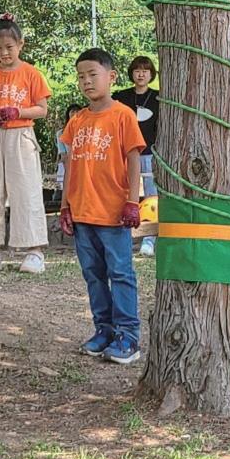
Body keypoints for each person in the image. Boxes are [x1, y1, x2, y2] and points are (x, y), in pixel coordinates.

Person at [57, 48, 145, 365]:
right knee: (93, 275)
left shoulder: (123, 115)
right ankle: (104, 330)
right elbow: (69, 165)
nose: (87, 81)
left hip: (113, 214)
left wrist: (133, 201)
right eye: (81, 76)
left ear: (111, 76)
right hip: (82, 214)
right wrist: (65, 207)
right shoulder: (77, 121)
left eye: (93, 74)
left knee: (120, 273)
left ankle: (128, 337)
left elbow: (134, 159)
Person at [0, 13, 51, 274]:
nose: (4, 53)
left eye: (9, 47)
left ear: (20, 45)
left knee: (26, 191)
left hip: (21, 135)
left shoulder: (31, 74)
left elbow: (42, 109)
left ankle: (34, 251)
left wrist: (18, 112)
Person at [113, 56, 159, 257]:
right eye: (137, 70)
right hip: (124, 153)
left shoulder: (159, 98)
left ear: (151, 74)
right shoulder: (121, 96)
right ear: (132, 73)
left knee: (152, 195)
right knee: (122, 193)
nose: (141, 74)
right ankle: (122, 235)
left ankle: (149, 239)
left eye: (145, 71)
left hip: (150, 152)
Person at [55, 102, 85, 198]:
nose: (75, 113)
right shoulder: (61, 133)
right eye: (72, 111)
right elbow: (63, 154)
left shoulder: (86, 130)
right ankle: (59, 196)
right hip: (68, 162)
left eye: (77, 111)